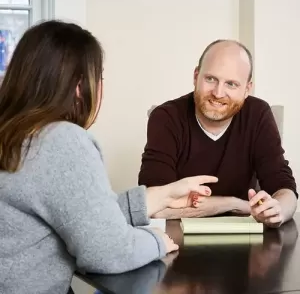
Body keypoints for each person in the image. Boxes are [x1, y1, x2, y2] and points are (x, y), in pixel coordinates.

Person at [0, 20, 218, 294]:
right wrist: (158, 240)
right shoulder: (60, 140)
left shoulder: (14, 133)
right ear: (79, 87)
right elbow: (109, 252)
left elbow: (81, 214)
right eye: (98, 76)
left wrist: (162, 195)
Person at [138, 40, 298, 227]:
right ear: (196, 76)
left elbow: (286, 190)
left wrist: (277, 211)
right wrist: (235, 204)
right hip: (177, 240)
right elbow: (153, 205)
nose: (218, 93)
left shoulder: (258, 114)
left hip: (243, 240)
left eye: (231, 84)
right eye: (211, 79)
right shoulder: (166, 117)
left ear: (247, 89)